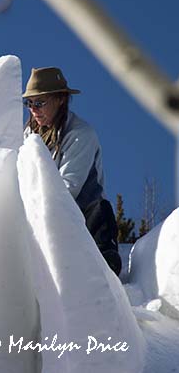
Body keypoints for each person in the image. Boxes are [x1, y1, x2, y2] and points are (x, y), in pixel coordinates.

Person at [23, 66, 122, 276]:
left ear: (60, 100)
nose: (34, 109)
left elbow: (67, 189)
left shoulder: (80, 135)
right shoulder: (29, 134)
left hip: (83, 219)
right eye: (29, 103)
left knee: (99, 211)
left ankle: (107, 270)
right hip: (41, 215)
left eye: (40, 102)